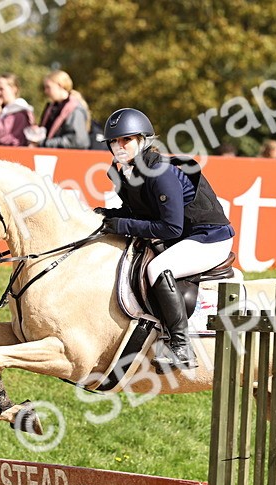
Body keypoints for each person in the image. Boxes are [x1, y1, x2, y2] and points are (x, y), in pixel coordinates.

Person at [96, 108, 235, 372]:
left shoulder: (160, 171)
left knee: (156, 268)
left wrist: (121, 224)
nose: (119, 146)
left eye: (126, 140)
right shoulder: (125, 172)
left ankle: (181, 347)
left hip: (209, 238)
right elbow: (138, 213)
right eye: (114, 141)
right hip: (185, 236)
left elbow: (170, 227)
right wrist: (105, 216)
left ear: (142, 140)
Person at [28, 70, 90, 149]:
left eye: (48, 87)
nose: (46, 91)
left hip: (67, 158)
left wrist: (45, 143)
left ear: (60, 86)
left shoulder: (75, 110)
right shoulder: (51, 108)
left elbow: (77, 140)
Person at [0, 73, 35, 147]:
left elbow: (3, 138)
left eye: (1, 89)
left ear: (13, 89)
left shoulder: (19, 112)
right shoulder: (4, 111)